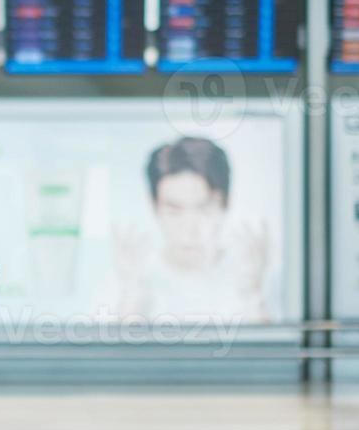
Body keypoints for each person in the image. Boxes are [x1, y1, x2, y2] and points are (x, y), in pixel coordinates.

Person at [114, 136, 272, 323]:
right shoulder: (127, 279)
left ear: (226, 203)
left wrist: (253, 296)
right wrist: (133, 301)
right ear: (154, 206)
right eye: (174, 211)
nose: (190, 229)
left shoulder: (256, 278)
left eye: (204, 209)